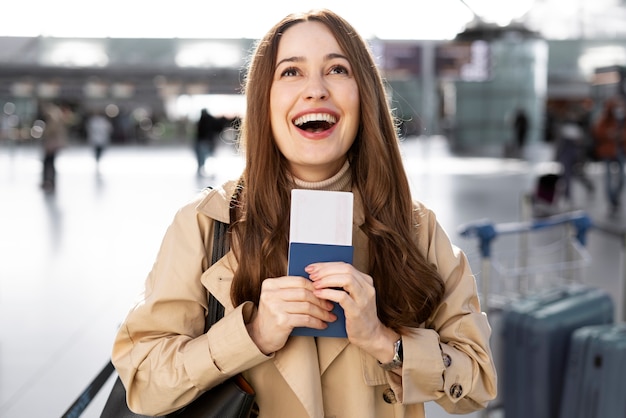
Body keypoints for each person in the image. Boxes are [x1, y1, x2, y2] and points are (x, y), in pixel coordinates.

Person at [111, 9, 497, 417]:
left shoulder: (415, 228)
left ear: (364, 93)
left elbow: (476, 384)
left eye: (337, 69)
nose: (315, 90)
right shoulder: (205, 225)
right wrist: (251, 335)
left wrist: (385, 341)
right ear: (265, 99)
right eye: (291, 72)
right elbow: (143, 380)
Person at [592, 97, 626, 214]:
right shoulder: (606, 119)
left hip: (620, 151)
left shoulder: (622, 120)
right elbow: (597, 131)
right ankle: (612, 201)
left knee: (622, 177)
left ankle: (615, 198)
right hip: (608, 151)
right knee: (608, 178)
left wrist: (621, 136)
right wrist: (609, 134)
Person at [40, 102, 68, 192]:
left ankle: (48, 181)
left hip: (51, 145)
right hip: (53, 144)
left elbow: (50, 132)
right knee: (50, 162)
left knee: (48, 162)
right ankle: (50, 181)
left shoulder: (53, 121)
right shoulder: (58, 120)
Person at [194, 108, 222, 175]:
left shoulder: (201, 120)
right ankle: (208, 168)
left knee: (203, 155)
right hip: (209, 140)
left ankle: (202, 167)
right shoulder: (211, 119)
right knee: (209, 154)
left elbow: (199, 131)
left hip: (203, 140)